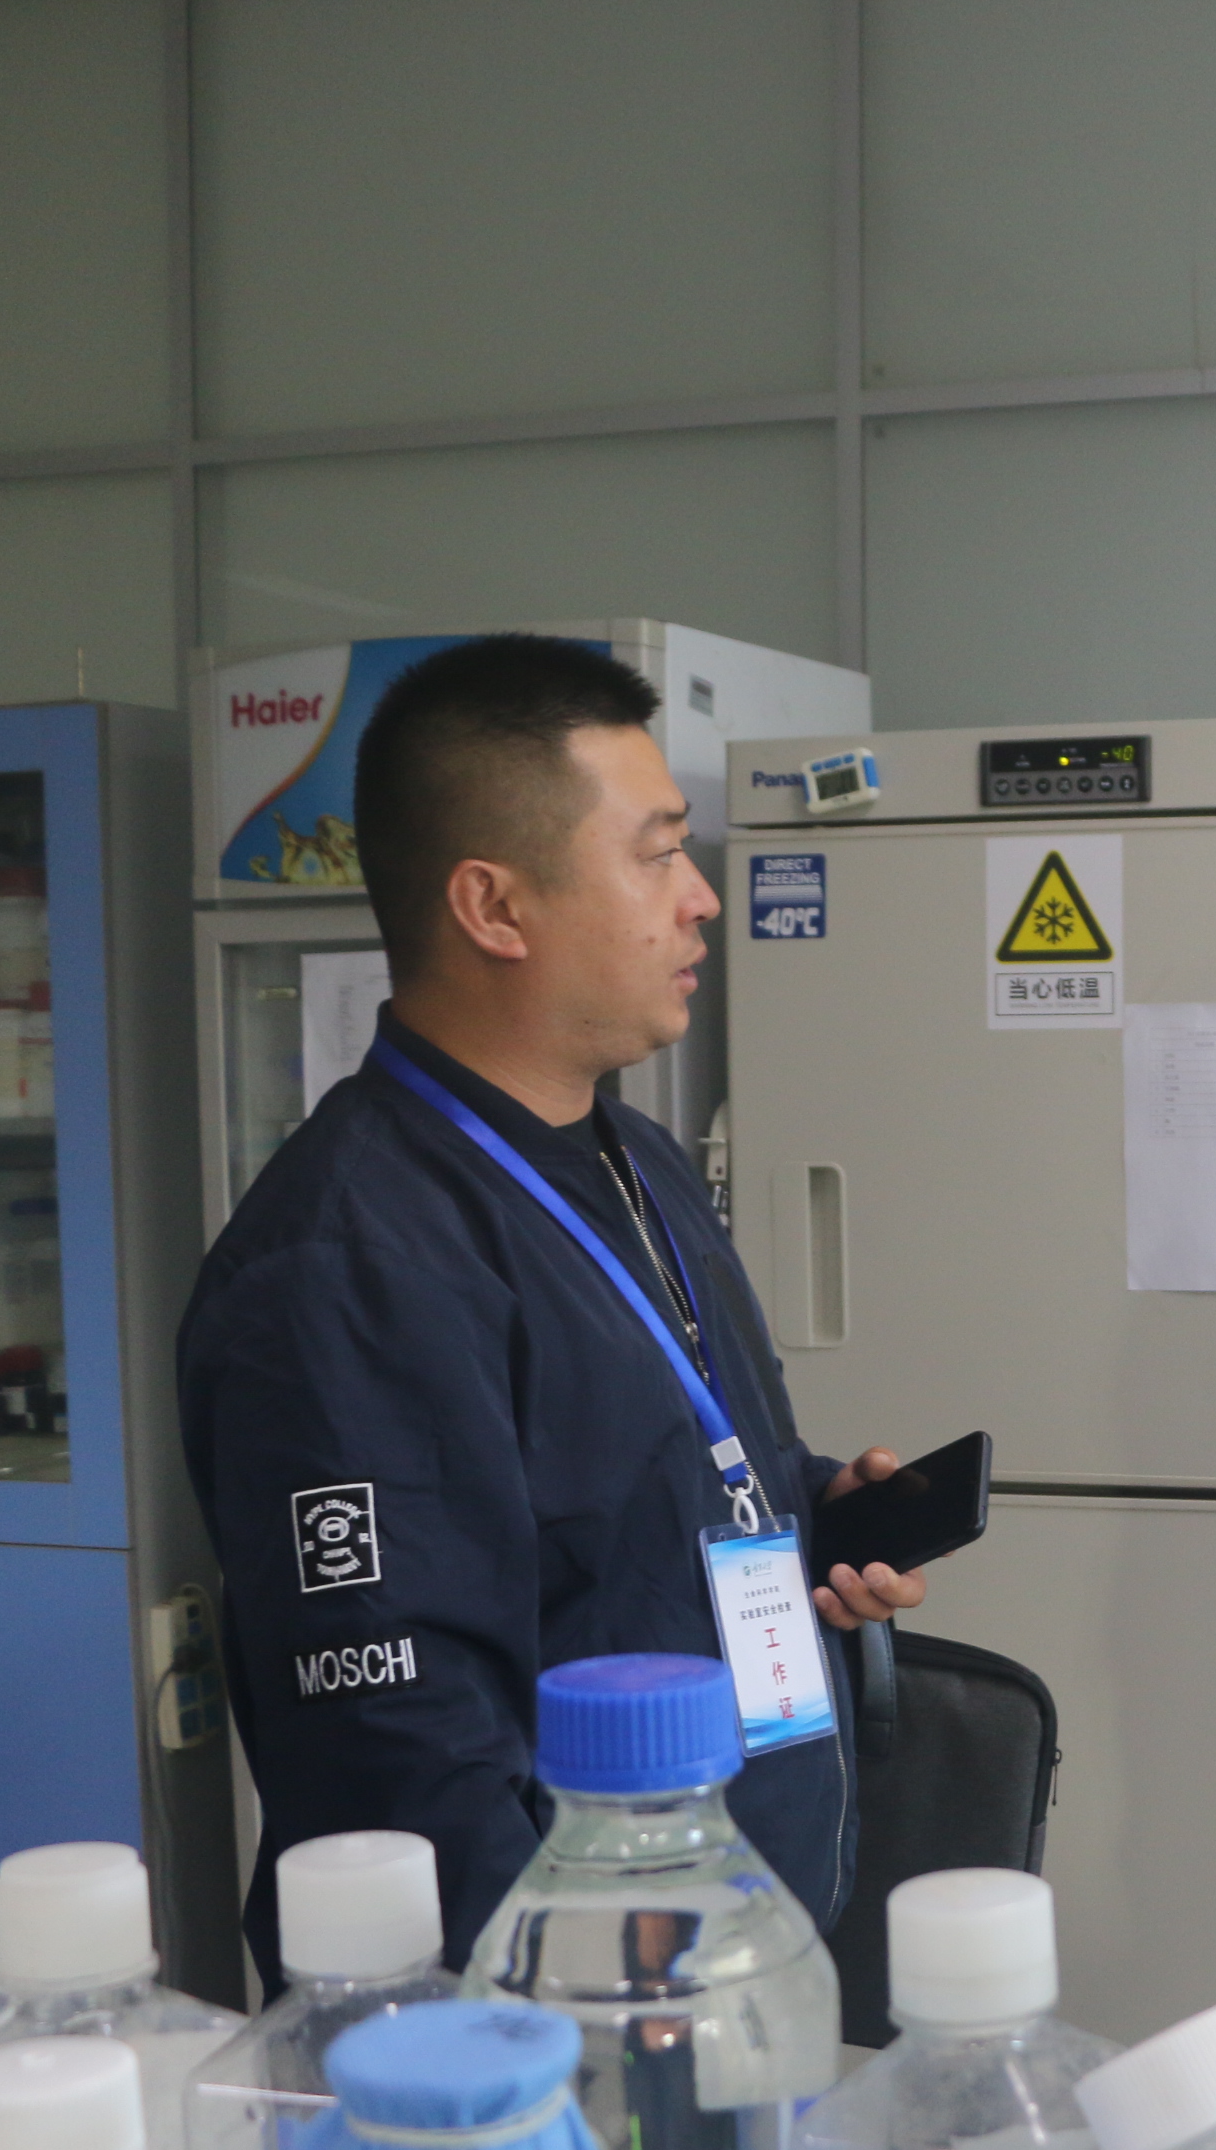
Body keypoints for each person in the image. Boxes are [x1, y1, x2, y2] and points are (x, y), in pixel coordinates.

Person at [179, 635, 927, 1982]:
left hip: (714, 1950)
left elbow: (627, 1480)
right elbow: (402, 1750)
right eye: (659, 853)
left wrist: (807, 1508)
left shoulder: (628, 1158)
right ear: (494, 906)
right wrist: (571, 2042)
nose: (701, 898)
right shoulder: (348, 1266)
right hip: (554, 2021)